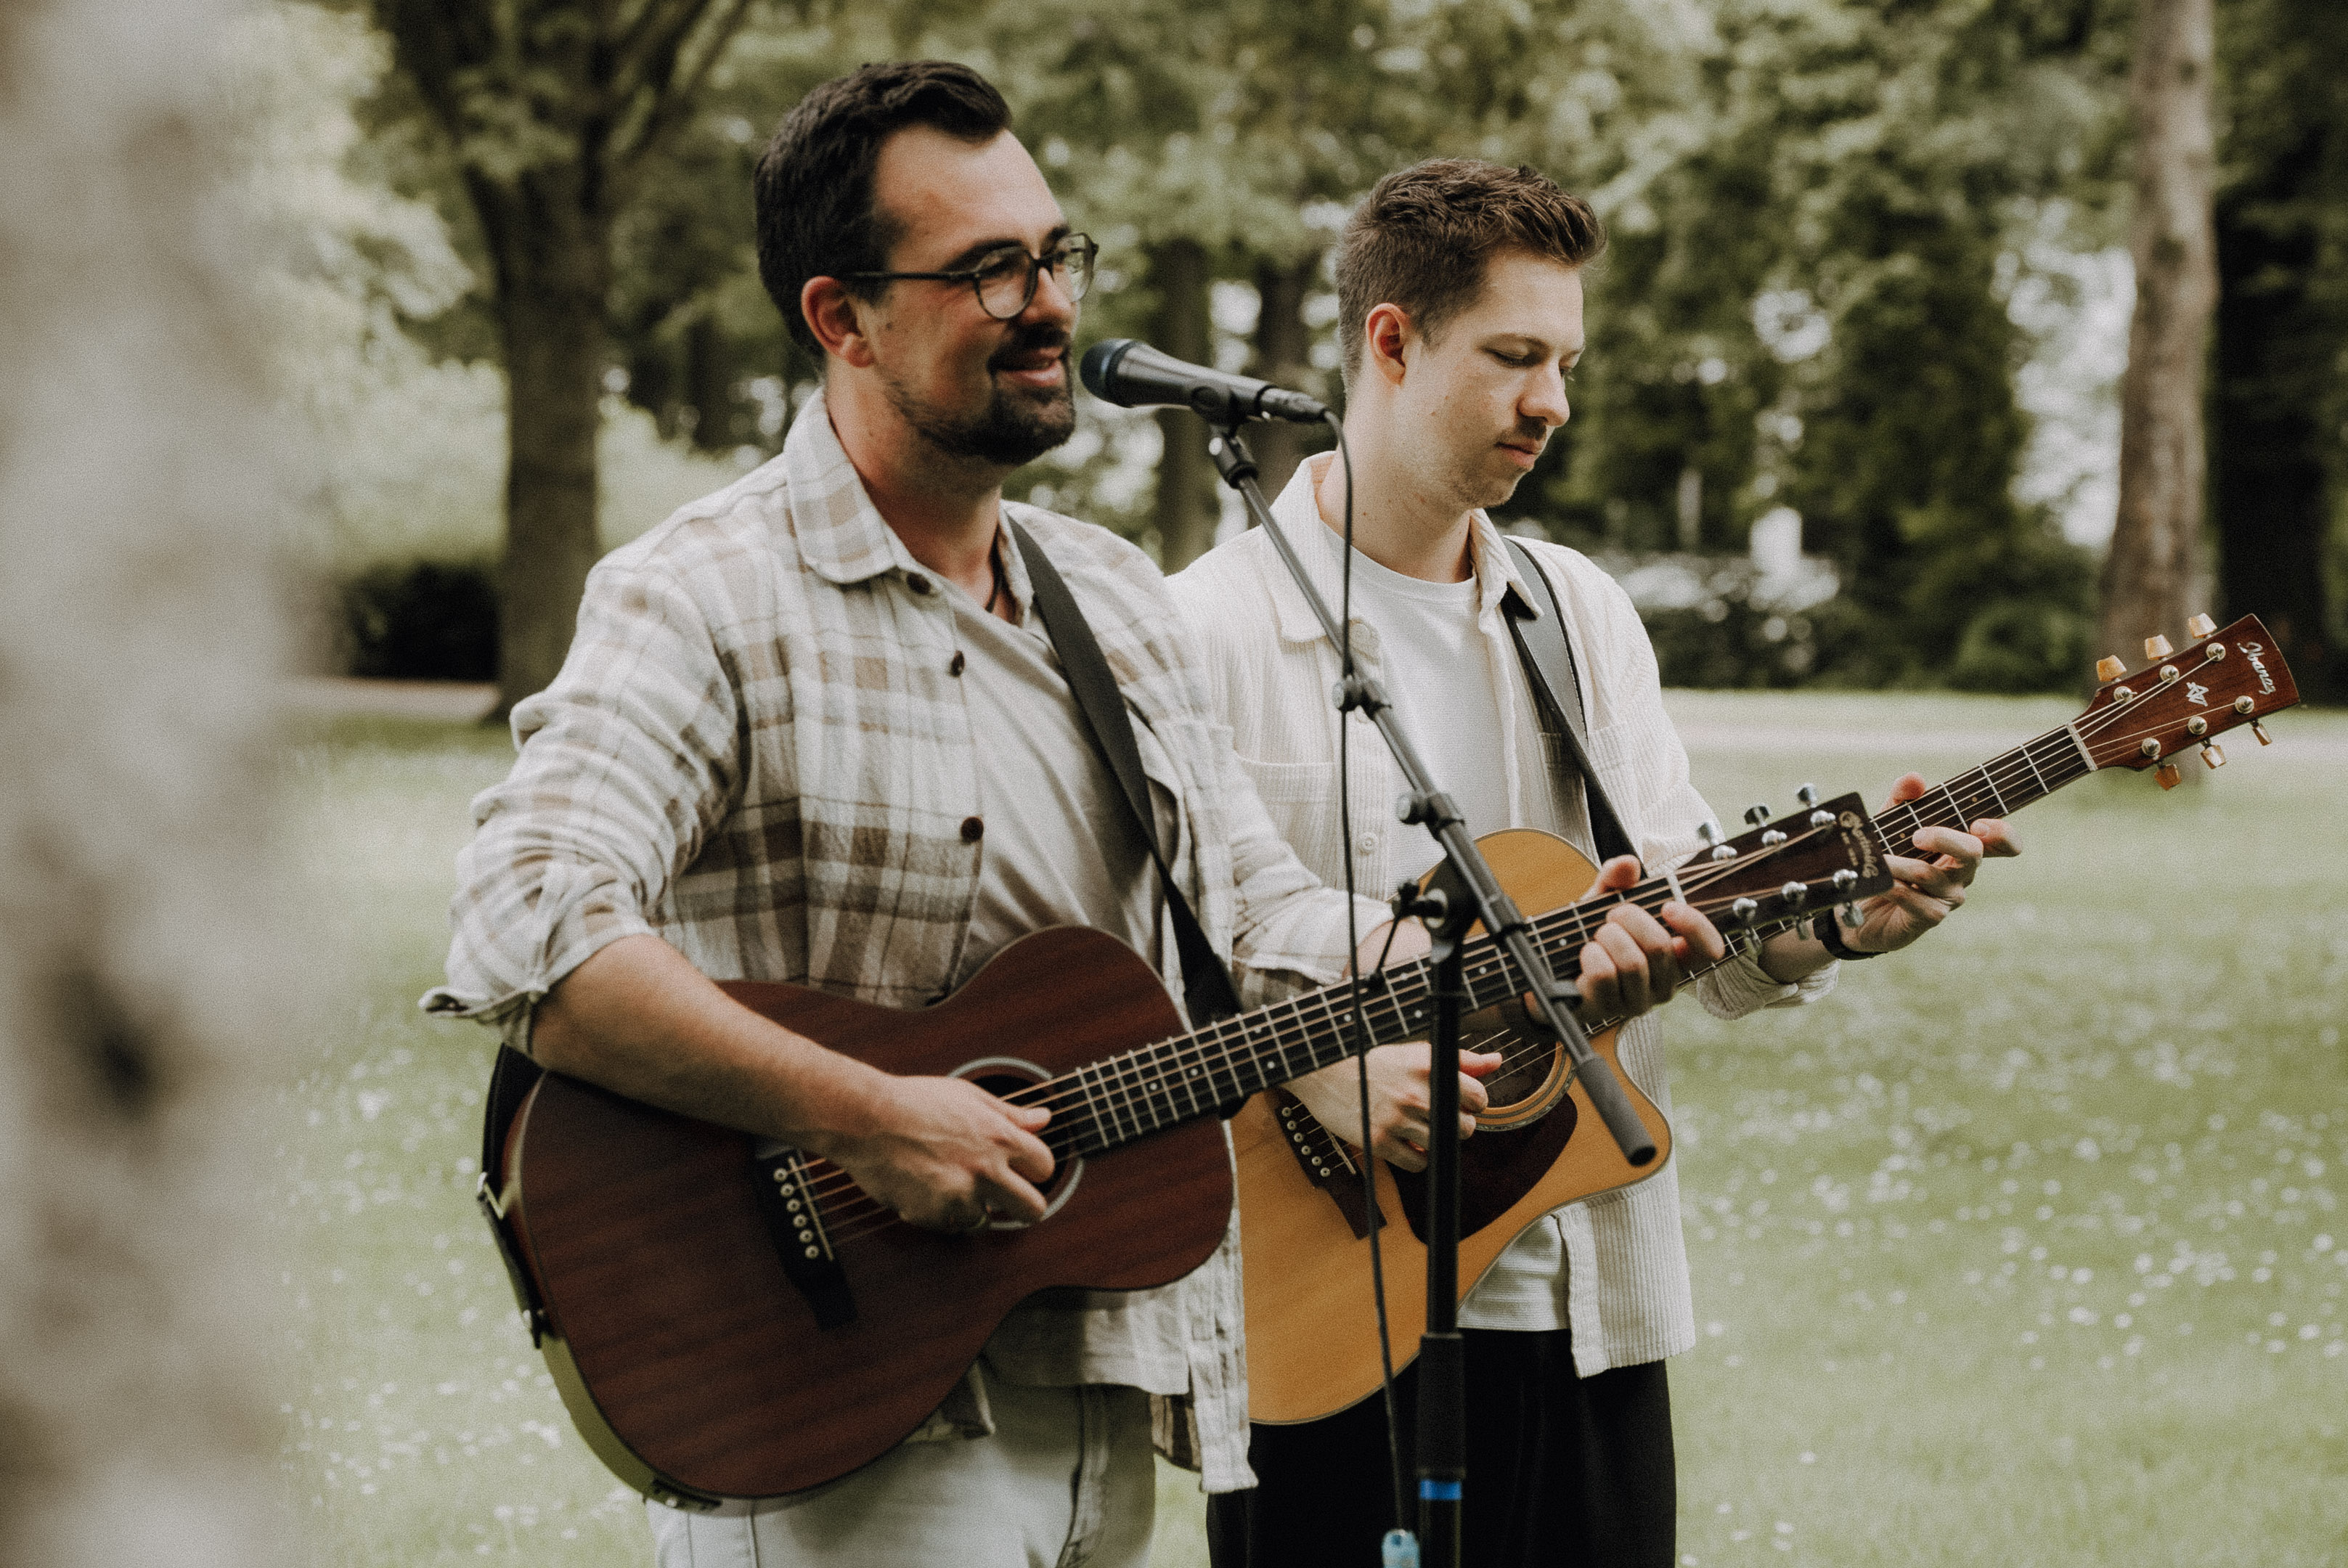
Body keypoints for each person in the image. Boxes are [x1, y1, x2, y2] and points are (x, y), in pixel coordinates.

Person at [425, 73, 1699, 1568]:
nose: (1047, 306)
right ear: (842, 318)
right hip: (836, 1401)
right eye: (986, 271)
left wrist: (1486, 961)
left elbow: (1259, 910)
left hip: (1102, 1390)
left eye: (1054, 256)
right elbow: (527, 916)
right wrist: (869, 1114)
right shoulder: (700, 597)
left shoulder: (1103, 598)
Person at [1167, 158, 2018, 1568]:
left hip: (1585, 1301)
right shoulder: (1201, 633)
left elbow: (1695, 906)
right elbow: (1147, 965)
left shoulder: (1580, 613)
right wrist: (1308, 1063)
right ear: (1390, 341)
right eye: (1513, 358)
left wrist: (1840, 925)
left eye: (1564, 361)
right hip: (1318, 1312)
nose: (1552, 402)